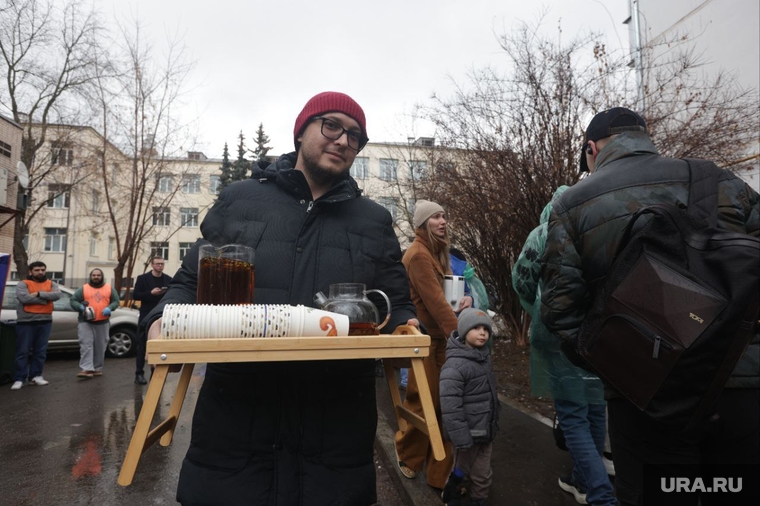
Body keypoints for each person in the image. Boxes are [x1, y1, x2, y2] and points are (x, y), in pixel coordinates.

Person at [141, 91, 418, 506]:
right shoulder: (241, 199)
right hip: (234, 431)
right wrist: (163, 322)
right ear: (301, 130)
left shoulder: (373, 220)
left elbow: (397, 304)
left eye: (355, 136)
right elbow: (187, 282)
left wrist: (406, 328)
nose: (343, 140)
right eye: (331, 126)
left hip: (335, 438)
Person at [541, 107, 760, 505]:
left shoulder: (573, 205)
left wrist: (623, 365)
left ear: (592, 149)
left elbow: (561, 313)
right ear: (645, 137)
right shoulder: (718, 180)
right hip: (739, 389)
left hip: (647, 401)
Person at [513, 186, 613, 505]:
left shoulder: (544, 232)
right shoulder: (601, 231)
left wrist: (539, 312)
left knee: (572, 413)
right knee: (595, 408)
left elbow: (522, 281)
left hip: (559, 336)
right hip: (598, 335)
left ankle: (599, 494)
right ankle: (583, 481)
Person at [394, 200, 470, 489]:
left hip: (441, 340)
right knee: (423, 403)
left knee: (446, 407)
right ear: (423, 223)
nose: (443, 221)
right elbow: (436, 304)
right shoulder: (418, 255)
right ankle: (408, 456)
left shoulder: (437, 252)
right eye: (436, 217)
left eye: (444, 216)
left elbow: (447, 295)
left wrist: (468, 300)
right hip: (425, 341)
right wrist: (462, 335)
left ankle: (439, 475)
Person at [439, 308, 500, 506]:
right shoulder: (455, 366)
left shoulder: (483, 357)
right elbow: (450, 405)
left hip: (485, 429)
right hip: (467, 432)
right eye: (476, 328)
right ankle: (454, 492)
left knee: (481, 472)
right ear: (465, 331)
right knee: (466, 468)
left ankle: (477, 499)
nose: (482, 333)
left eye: (485, 329)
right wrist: (460, 437)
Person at [10, 261, 61, 390]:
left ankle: (36, 376)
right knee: (22, 351)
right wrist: (46, 299)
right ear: (30, 271)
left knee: (40, 351)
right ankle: (19, 378)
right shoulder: (23, 284)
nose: (40, 272)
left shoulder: (51, 283)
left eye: (43, 270)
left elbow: (57, 295)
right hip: (26, 322)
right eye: (37, 270)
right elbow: (24, 299)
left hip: (45, 321)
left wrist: (39, 294)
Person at [70, 269, 120, 379]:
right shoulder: (83, 288)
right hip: (86, 321)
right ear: (90, 276)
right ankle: (87, 368)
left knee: (100, 346)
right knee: (86, 344)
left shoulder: (109, 288)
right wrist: (80, 307)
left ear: (102, 276)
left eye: (98, 275)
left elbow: (116, 301)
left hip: (103, 321)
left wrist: (110, 308)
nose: (96, 277)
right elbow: (73, 300)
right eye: (94, 275)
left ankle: (97, 368)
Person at [132, 256, 172, 385]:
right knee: (142, 344)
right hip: (146, 314)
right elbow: (136, 295)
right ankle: (139, 374)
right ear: (152, 265)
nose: (160, 266)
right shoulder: (143, 279)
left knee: (159, 344)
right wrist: (151, 293)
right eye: (157, 264)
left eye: (162, 264)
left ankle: (155, 374)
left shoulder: (168, 279)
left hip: (162, 315)